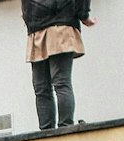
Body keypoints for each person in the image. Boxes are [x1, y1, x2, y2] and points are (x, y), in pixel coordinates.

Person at [24, 0, 93, 131]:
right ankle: (62, 128)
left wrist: (83, 13)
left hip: (42, 22)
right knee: (54, 85)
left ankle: (54, 129)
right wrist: (83, 14)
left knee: (45, 87)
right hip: (52, 22)